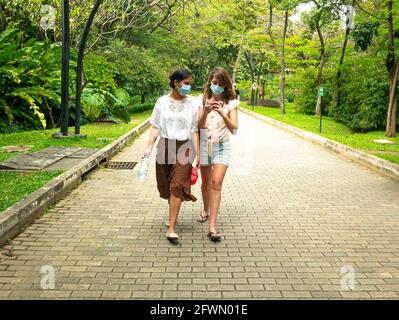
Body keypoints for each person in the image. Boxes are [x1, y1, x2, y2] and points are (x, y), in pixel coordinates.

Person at [143, 69, 200, 242]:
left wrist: (198, 154)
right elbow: (155, 126)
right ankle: (171, 215)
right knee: (167, 184)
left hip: (185, 147)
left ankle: (172, 229)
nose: (188, 87)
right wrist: (149, 148)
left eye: (190, 84)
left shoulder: (192, 103)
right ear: (176, 82)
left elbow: (194, 130)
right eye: (186, 83)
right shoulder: (162, 102)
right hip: (165, 145)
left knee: (177, 184)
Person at [197, 67, 239, 242]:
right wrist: (206, 111)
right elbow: (198, 126)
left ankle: (212, 227)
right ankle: (205, 209)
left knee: (216, 183)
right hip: (205, 145)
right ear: (210, 83)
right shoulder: (202, 99)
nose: (217, 87)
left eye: (221, 84)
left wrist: (222, 113)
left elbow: (234, 129)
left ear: (225, 86)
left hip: (222, 146)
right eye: (214, 83)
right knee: (206, 182)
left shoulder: (231, 103)